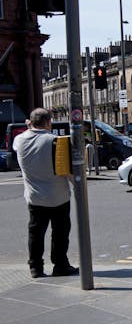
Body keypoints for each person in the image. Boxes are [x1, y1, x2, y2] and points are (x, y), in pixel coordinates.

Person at [13, 108, 79, 278]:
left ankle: (36, 267)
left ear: (31, 122)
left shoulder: (19, 140)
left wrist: (29, 126)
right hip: (59, 196)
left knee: (35, 233)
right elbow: (67, 172)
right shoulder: (55, 141)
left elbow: (26, 135)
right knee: (60, 232)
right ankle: (60, 264)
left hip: (34, 197)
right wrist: (77, 186)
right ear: (49, 122)